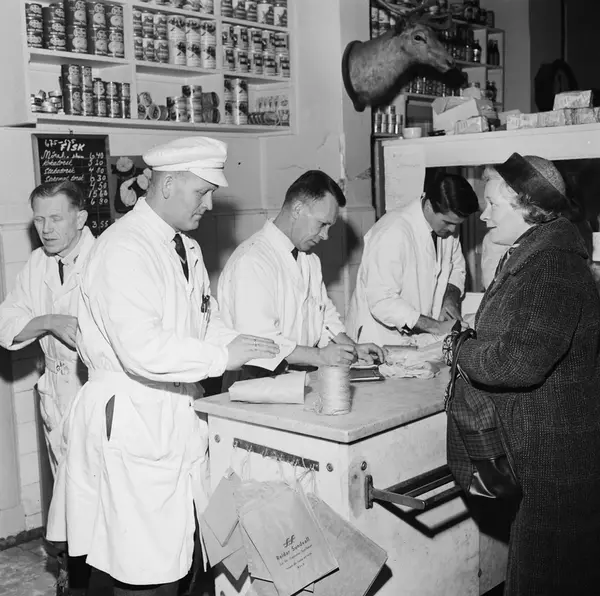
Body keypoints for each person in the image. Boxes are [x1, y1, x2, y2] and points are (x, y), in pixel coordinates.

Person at [48, 137, 279, 596]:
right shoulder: (123, 249)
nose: (209, 204)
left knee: (180, 557)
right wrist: (220, 357)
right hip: (133, 415)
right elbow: (142, 348)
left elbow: (203, 323)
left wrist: (256, 347)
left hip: (172, 413)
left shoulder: (186, 249)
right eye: (203, 192)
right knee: (139, 568)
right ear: (168, 184)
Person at [453, 153, 600, 594]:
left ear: (526, 206)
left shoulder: (552, 265)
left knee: (545, 578)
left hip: (552, 458)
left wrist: (459, 349)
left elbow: (517, 363)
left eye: (493, 204)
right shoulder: (533, 253)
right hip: (535, 452)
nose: (483, 215)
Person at [0, 180, 94, 595]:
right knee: (66, 491)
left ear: (81, 217)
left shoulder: (105, 258)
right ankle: (71, 573)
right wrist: (49, 321)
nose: (46, 228)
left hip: (93, 388)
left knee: (93, 493)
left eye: (56, 218)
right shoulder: (38, 263)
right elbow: (7, 323)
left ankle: (91, 579)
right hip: (56, 387)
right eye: (39, 219)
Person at [218, 169, 384, 391]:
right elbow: (259, 345)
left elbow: (324, 317)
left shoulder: (308, 259)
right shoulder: (253, 260)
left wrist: (352, 349)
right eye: (322, 224)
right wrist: (320, 356)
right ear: (297, 209)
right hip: (254, 386)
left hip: (296, 382)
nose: (325, 235)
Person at [346, 172, 479, 347]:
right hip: (379, 340)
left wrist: (450, 301)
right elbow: (382, 301)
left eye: (457, 224)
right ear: (429, 206)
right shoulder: (392, 232)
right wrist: (436, 327)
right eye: (447, 222)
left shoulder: (445, 229)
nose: (453, 230)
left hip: (416, 340)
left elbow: (456, 268)